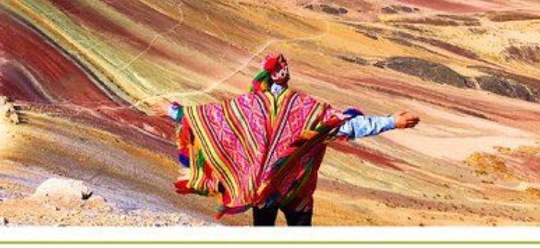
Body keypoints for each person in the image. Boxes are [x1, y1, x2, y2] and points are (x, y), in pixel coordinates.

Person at [168, 53, 419, 226]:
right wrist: (391, 121)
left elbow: (210, 118)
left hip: (263, 189)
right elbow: (347, 126)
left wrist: (175, 111)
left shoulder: (248, 107)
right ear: (286, 76)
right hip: (297, 190)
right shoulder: (308, 108)